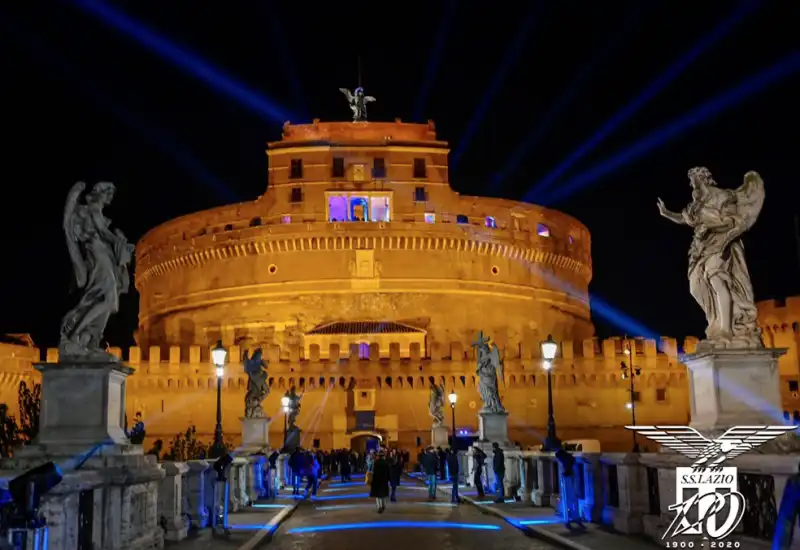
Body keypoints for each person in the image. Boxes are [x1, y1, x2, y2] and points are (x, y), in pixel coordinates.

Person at [555, 448, 584, 528]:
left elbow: (574, 477)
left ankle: (571, 519)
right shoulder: (569, 461)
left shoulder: (569, 463)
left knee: (569, 502)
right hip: (569, 486)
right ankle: (573, 519)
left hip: (569, 486)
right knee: (572, 503)